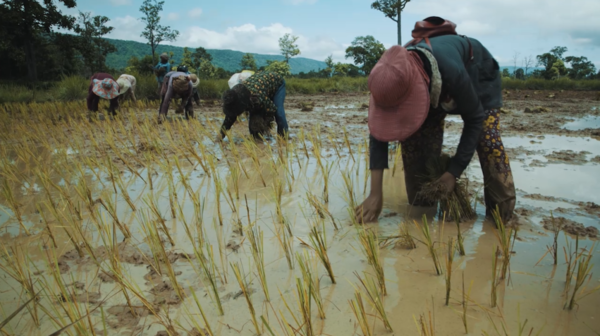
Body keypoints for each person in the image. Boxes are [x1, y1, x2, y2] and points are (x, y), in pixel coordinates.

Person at [354, 34, 516, 224]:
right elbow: (379, 132)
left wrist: (452, 173)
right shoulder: (387, 81)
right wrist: (375, 193)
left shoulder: (452, 72)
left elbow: (475, 119)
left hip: (476, 75)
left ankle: (503, 216)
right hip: (430, 82)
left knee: (487, 138)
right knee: (417, 142)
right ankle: (421, 209)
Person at [216, 71, 289, 141]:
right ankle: (256, 138)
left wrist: (265, 125)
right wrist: (220, 135)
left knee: (279, 113)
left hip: (276, 82)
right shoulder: (236, 99)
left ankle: (283, 138)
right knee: (254, 117)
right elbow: (229, 118)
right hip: (261, 86)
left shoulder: (257, 97)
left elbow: (271, 108)